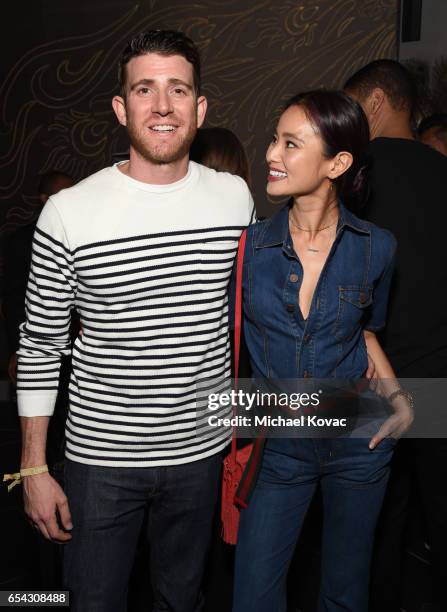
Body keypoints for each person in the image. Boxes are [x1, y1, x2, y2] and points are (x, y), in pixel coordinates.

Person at [14, 30, 254, 612]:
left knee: (183, 600)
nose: (162, 105)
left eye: (178, 89)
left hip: (201, 454)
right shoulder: (69, 212)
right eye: (145, 89)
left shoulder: (235, 199)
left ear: (199, 108)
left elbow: (250, 318)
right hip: (100, 463)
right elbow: (40, 344)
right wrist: (34, 469)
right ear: (123, 108)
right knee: (91, 602)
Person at [230, 90, 413, 612]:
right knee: (254, 593)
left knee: (344, 591)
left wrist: (401, 401)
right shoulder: (250, 247)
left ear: (337, 163)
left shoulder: (378, 246)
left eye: (291, 143)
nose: (271, 154)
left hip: (359, 440)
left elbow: (368, 334)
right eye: (274, 139)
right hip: (280, 444)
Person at [345, 59, 447, 611]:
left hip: (372, 384)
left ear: (377, 104)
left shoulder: (353, 178)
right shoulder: (443, 174)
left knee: (372, 529)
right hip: (441, 378)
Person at [3, 171, 74, 382]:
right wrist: (19, 348)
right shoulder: (22, 240)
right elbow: (14, 300)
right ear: (44, 199)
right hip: (37, 345)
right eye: (63, 193)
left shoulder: (83, 235)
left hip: (78, 352)